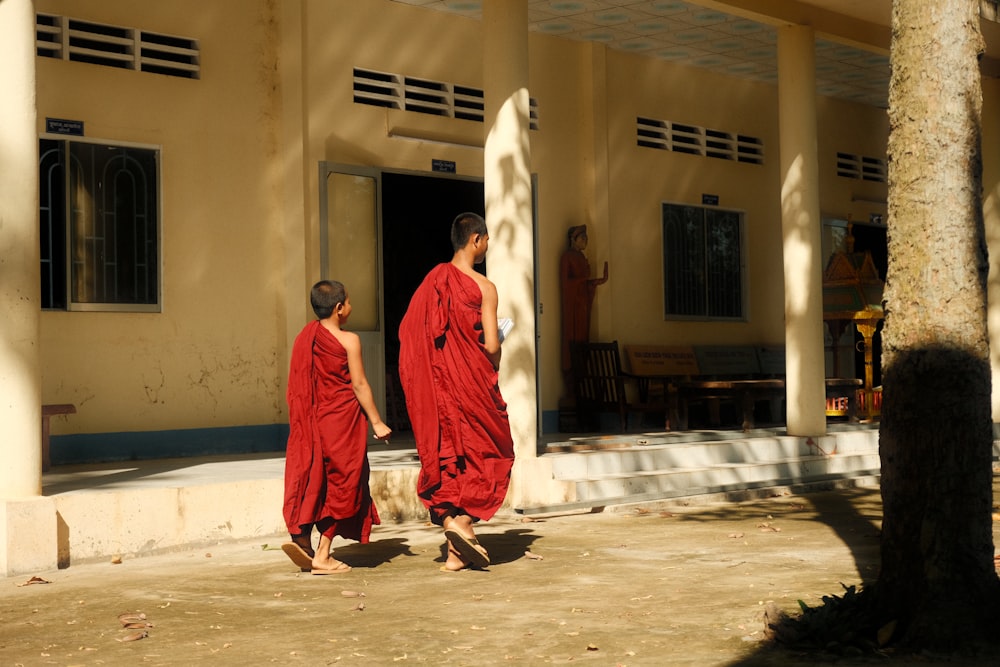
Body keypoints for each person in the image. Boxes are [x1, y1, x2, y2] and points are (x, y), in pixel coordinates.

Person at [397, 212, 516, 571]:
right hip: (473, 385)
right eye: (487, 239)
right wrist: (492, 357)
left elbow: (409, 333)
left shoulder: (432, 281)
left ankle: (455, 553)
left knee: (450, 457)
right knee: (492, 452)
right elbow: (492, 347)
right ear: (477, 240)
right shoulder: (484, 287)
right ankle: (456, 525)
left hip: (440, 389)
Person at [282, 280, 392, 574]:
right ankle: (323, 554)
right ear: (340, 308)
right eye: (350, 302)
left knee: (317, 481)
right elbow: (358, 384)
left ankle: (302, 536)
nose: (352, 307)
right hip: (342, 424)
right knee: (345, 484)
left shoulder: (305, 337)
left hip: (315, 423)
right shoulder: (349, 341)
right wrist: (377, 422)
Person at [560, 224, 608, 390]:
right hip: (572, 306)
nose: (585, 241)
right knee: (572, 339)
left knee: (583, 339)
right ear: (573, 240)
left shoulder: (581, 258)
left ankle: (581, 378)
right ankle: (572, 381)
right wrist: (583, 279)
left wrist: (596, 282)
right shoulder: (567, 257)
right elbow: (566, 284)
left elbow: (584, 282)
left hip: (582, 305)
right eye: (582, 238)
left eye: (586, 238)